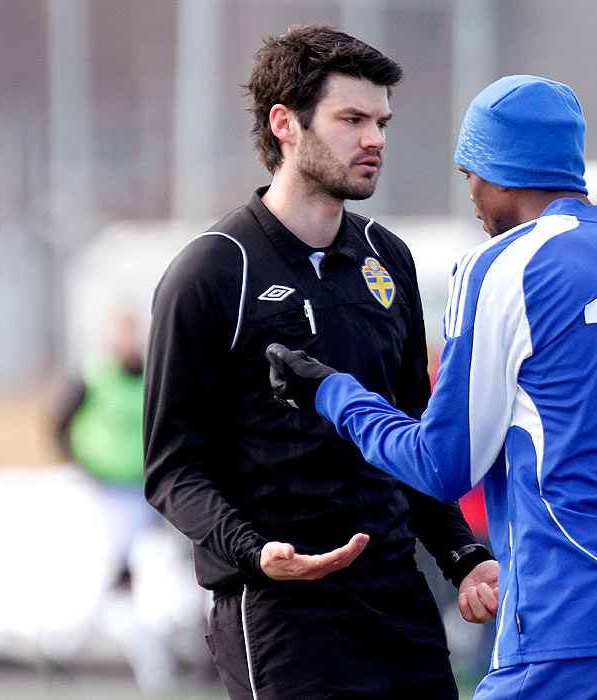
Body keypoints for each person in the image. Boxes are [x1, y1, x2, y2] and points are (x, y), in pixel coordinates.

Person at [267, 74, 597, 699]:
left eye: (469, 173)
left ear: (494, 170)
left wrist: (332, 393)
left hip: (582, 618)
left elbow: (442, 466)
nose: (471, 195)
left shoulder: (504, 264)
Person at [143, 26, 498, 700]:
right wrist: (255, 553)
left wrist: (462, 556)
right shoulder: (213, 270)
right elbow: (171, 469)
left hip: (398, 593)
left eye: (381, 122)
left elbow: (408, 436)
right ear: (285, 124)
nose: (375, 139)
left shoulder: (385, 258)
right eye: (352, 119)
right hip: (282, 611)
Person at [53, 309, 175, 696]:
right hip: (108, 492)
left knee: (135, 575)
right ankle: (151, 667)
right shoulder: (93, 375)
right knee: (122, 576)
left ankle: (66, 647)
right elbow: (60, 424)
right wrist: (82, 466)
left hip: (148, 490)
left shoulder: (153, 373)